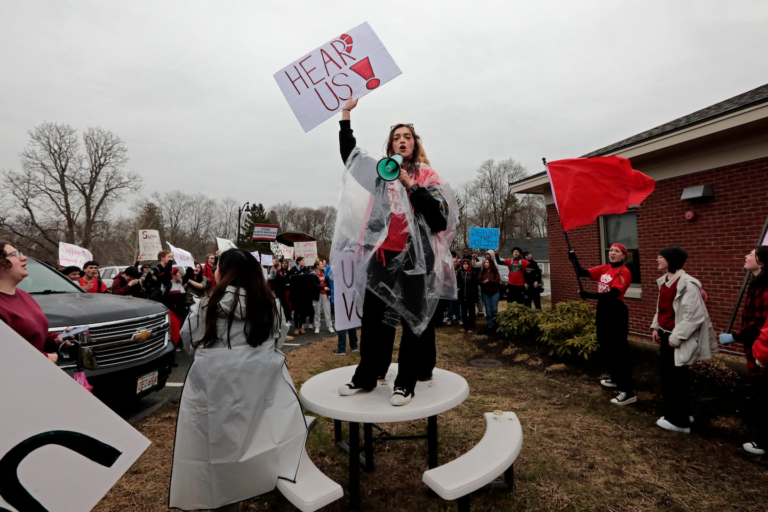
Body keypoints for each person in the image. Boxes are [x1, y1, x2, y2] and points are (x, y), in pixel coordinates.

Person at [334, 96, 456, 406]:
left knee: (412, 320)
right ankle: (367, 376)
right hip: (382, 256)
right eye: (396, 137)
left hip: (416, 261)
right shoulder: (381, 171)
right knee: (374, 320)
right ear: (390, 146)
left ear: (415, 144)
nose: (402, 141)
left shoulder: (428, 176)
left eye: (407, 137)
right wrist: (346, 114)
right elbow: (351, 156)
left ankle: (405, 383)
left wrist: (410, 185)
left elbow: (439, 219)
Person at [169, 249, 306, 512]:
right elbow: (277, 341)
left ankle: (223, 500)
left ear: (224, 272)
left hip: (212, 395)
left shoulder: (203, 306)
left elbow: (190, 345)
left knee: (215, 450)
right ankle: (249, 486)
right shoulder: (272, 305)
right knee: (256, 441)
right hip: (258, 394)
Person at [650, 247, 716, 434]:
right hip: (665, 335)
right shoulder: (664, 281)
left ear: (671, 260)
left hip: (676, 339)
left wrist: (677, 337)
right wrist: (655, 326)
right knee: (670, 377)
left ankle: (679, 422)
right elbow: (661, 308)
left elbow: (693, 316)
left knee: (676, 379)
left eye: (660, 257)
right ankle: (681, 414)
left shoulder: (688, 284)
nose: (657, 260)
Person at [569, 243, 636, 405]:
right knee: (605, 345)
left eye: (617, 251)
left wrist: (589, 295)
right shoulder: (605, 268)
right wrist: (574, 260)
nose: (612, 253)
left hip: (615, 311)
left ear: (623, 256)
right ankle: (615, 378)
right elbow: (582, 273)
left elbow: (613, 294)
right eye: (611, 250)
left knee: (618, 349)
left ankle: (627, 392)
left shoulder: (624, 272)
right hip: (603, 310)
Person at [720, 247, 768, 455]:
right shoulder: (757, 283)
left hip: (763, 351)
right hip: (756, 348)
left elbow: (759, 323)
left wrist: (736, 336)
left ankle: (764, 441)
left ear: (762, 262)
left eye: (751, 254)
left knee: (764, 394)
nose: (746, 256)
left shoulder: (765, 288)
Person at [0, 241, 70, 362]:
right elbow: (6, 354)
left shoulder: (23, 295)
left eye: (20, 253)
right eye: (14, 254)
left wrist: (56, 339)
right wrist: (47, 358)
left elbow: (32, 338)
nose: (24, 257)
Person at [326, 262, 358, 355]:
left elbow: (328, 278)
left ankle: (342, 348)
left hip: (338, 297)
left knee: (341, 323)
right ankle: (354, 345)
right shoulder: (351, 264)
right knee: (351, 321)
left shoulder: (331, 266)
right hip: (349, 295)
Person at [479, 253, 502, 330]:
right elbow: (479, 281)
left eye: (487, 262)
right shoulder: (482, 272)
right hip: (486, 293)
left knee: (494, 309)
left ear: (491, 264)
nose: (485, 264)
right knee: (488, 310)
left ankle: (496, 324)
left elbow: (497, 281)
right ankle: (490, 324)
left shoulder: (495, 272)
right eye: (485, 262)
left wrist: (490, 281)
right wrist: (483, 282)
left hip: (494, 292)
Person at [310, 260, 334, 334]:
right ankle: (317, 326)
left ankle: (330, 326)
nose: (323, 265)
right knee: (317, 311)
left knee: (327, 311)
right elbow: (314, 285)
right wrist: (323, 288)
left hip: (325, 295)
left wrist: (329, 294)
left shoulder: (324, 274)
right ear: (317, 266)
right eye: (321, 264)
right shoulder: (313, 274)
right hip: (317, 295)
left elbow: (328, 285)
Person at [457, 258, 477, 333]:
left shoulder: (473, 273)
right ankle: (464, 325)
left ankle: (471, 326)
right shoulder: (460, 273)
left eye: (467, 264)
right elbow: (458, 282)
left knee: (471, 311)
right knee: (464, 311)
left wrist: (475, 296)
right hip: (462, 295)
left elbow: (475, 285)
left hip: (470, 295)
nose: (465, 265)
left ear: (469, 265)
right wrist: (458, 288)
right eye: (464, 264)